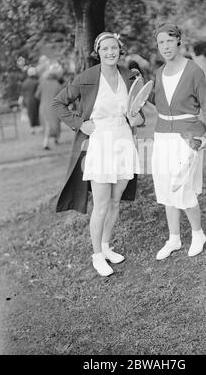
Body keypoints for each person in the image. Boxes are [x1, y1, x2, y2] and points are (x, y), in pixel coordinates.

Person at [52, 32, 145, 277]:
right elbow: (58, 103)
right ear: (98, 52)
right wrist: (79, 123)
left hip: (124, 141)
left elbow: (138, 113)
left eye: (114, 48)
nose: (110, 52)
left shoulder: (129, 76)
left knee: (116, 201)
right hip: (100, 143)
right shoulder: (87, 77)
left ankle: (105, 247)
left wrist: (138, 118)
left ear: (120, 50)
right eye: (105, 49)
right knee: (101, 205)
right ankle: (96, 256)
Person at [152, 23, 206, 260]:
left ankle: (198, 234)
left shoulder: (193, 70)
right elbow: (159, 102)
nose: (165, 46)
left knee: (183, 185)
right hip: (162, 136)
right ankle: (174, 238)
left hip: (187, 136)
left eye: (170, 41)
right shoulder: (158, 73)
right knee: (166, 187)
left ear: (178, 41)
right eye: (161, 42)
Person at [35, 62, 63, 149]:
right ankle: (55, 140)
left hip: (43, 107)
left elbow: (36, 95)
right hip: (55, 107)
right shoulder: (57, 84)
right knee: (56, 123)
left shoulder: (42, 83)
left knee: (46, 125)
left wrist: (43, 99)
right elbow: (61, 97)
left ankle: (46, 143)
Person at [18, 67, 40, 134]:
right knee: (37, 114)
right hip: (35, 100)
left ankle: (32, 129)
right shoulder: (37, 82)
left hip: (27, 101)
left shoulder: (24, 82)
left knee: (30, 115)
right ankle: (39, 128)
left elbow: (22, 93)